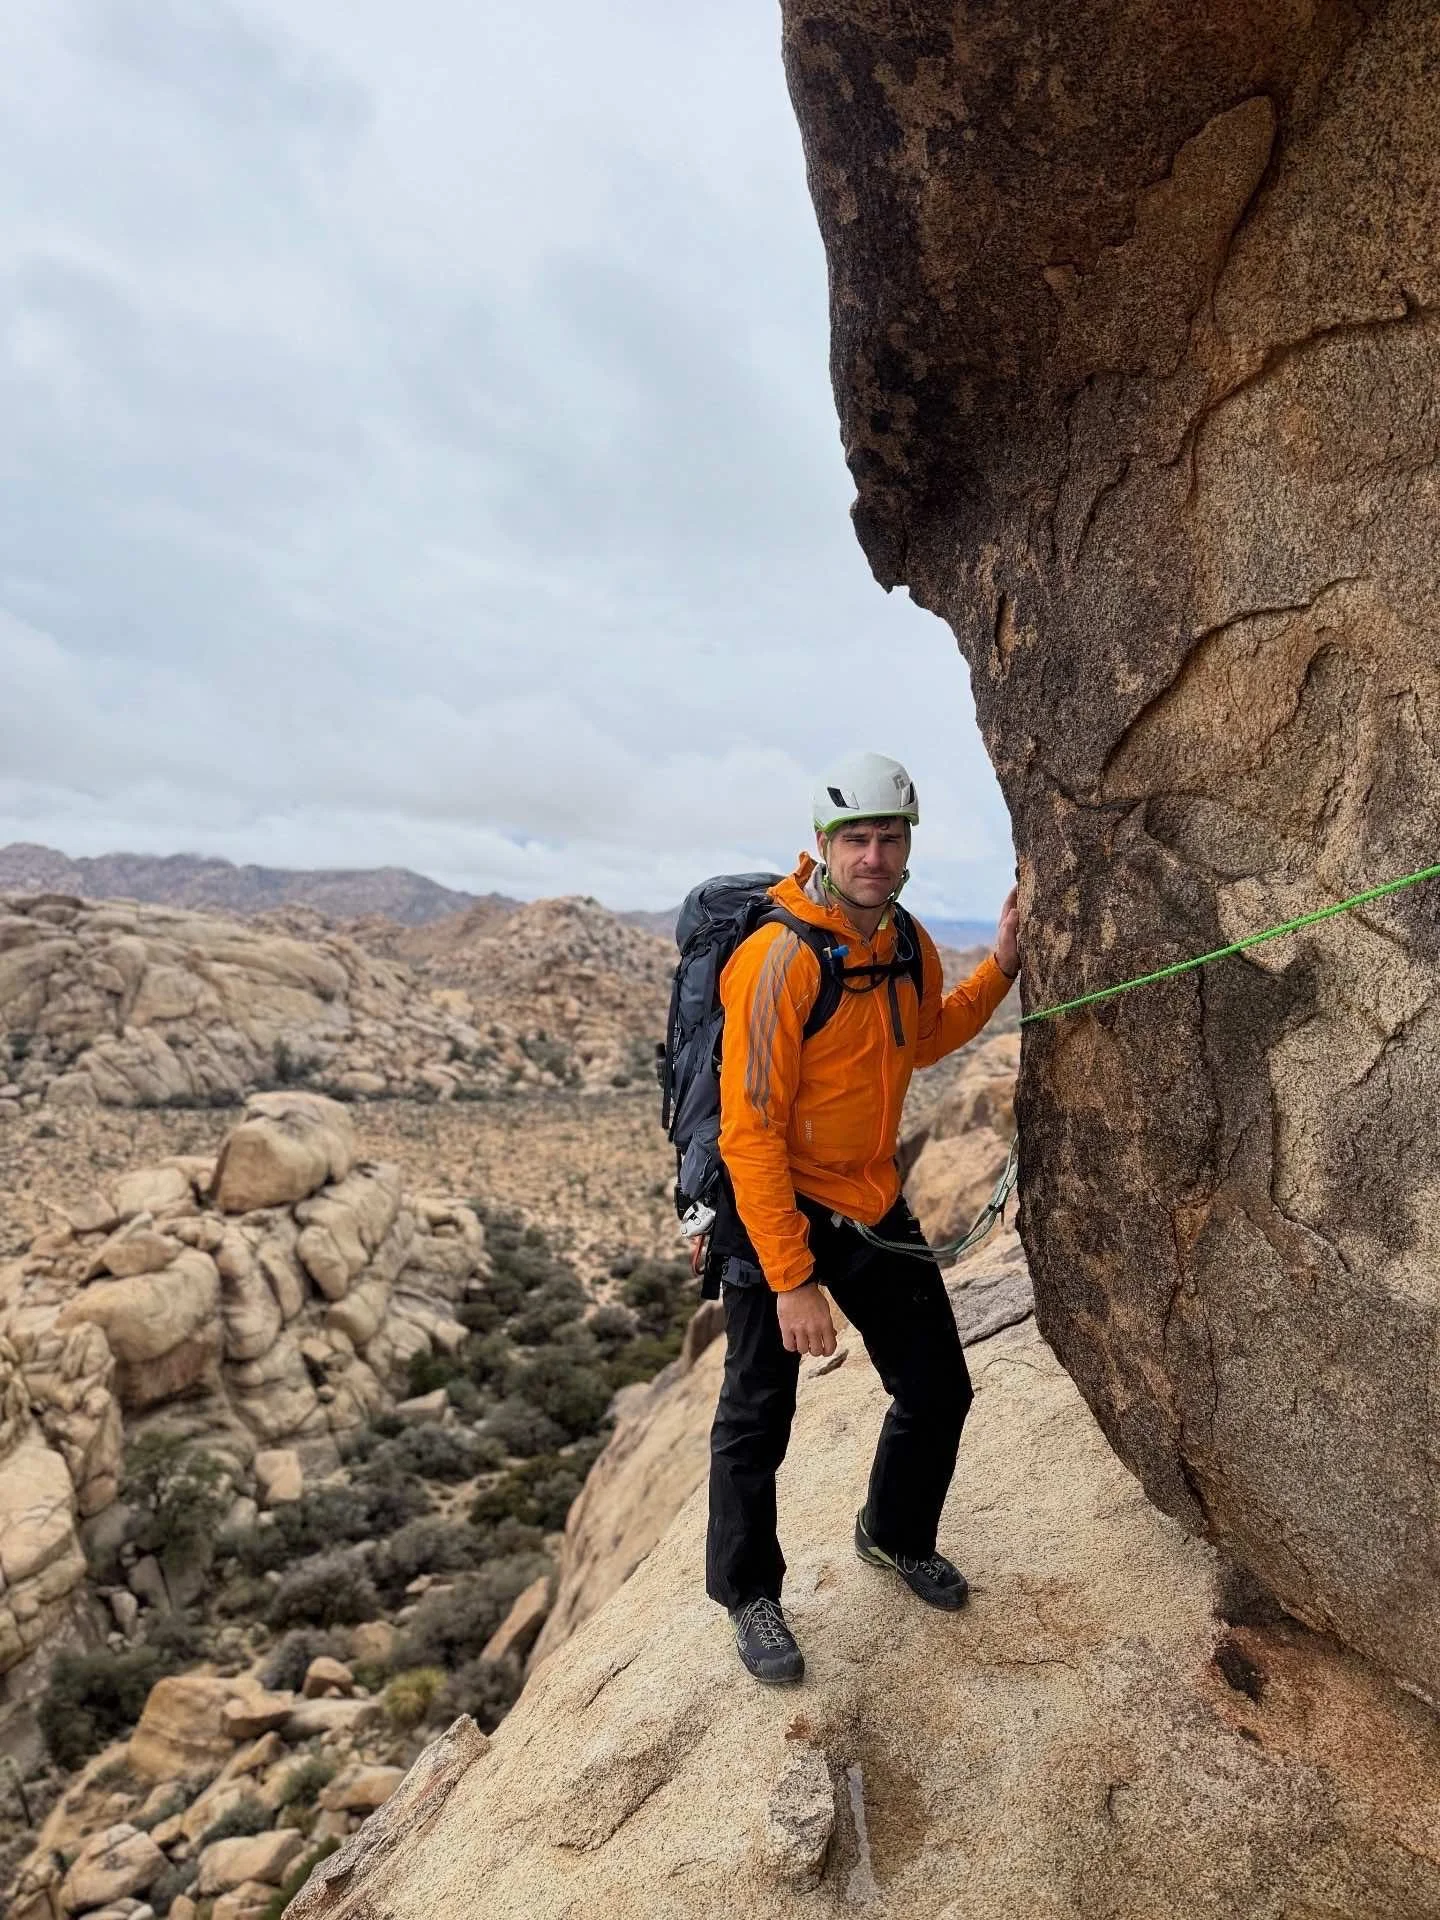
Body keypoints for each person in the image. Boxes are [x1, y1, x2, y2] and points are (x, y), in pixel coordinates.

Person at [705, 751, 1020, 1683]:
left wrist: (1001, 967)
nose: (874, 855)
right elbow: (749, 1129)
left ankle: (892, 1533)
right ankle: (750, 1596)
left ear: (908, 844)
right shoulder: (778, 958)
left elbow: (922, 1038)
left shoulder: (904, 941)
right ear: (823, 846)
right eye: (857, 839)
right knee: (757, 1415)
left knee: (937, 1388)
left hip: (871, 1202)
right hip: (781, 1208)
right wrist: (793, 1277)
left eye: (889, 837)